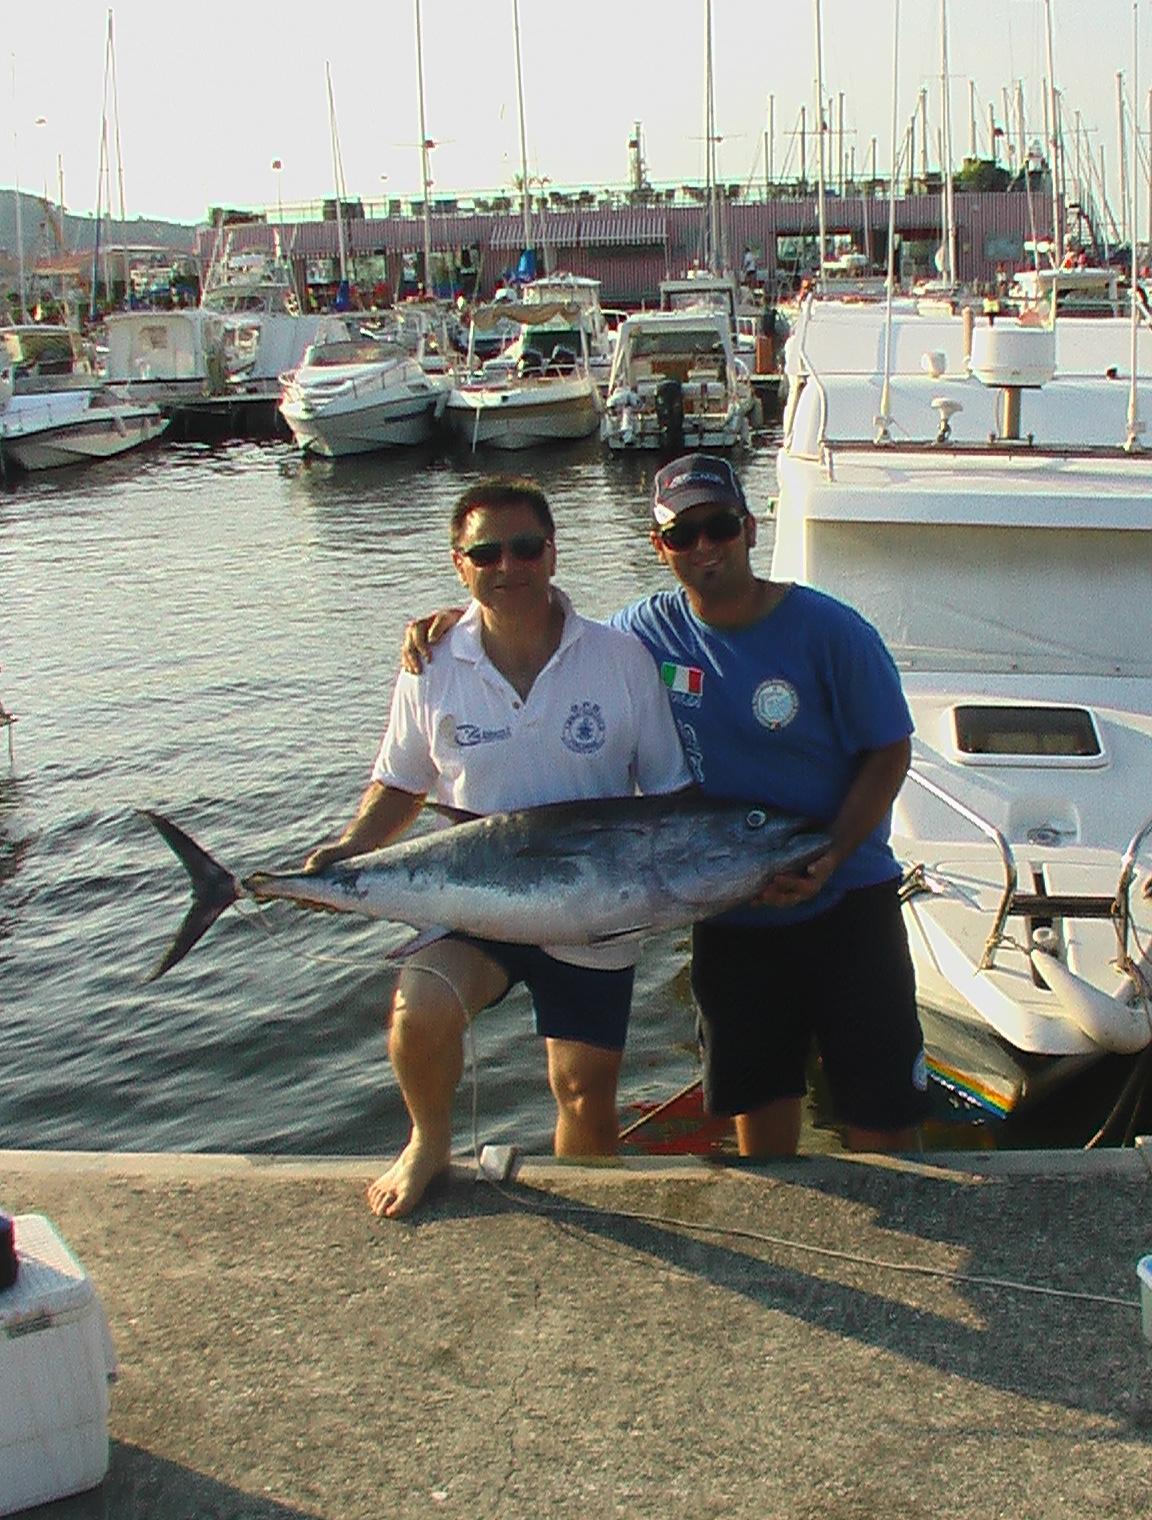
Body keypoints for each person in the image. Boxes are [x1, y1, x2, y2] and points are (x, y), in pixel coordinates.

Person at [403, 455, 930, 1159]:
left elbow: (889, 751)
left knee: (885, 1114)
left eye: (719, 527)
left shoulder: (833, 633)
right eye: (684, 536)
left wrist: (832, 848)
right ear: (660, 548)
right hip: (728, 909)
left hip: (847, 893)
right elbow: (549, 628)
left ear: (749, 528)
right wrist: (463, 619)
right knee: (759, 1112)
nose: (705, 548)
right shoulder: (642, 636)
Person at [306, 475, 691, 1219]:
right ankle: (428, 1144)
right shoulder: (431, 664)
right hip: (475, 902)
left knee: (584, 1091)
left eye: (524, 548)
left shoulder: (620, 659)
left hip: (592, 908)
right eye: (486, 552)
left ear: (552, 553)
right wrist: (347, 849)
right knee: (418, 1015)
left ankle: (590, 1203)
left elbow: (671, 797)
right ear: (459, 564)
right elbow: (400, 784)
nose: (506, 566)